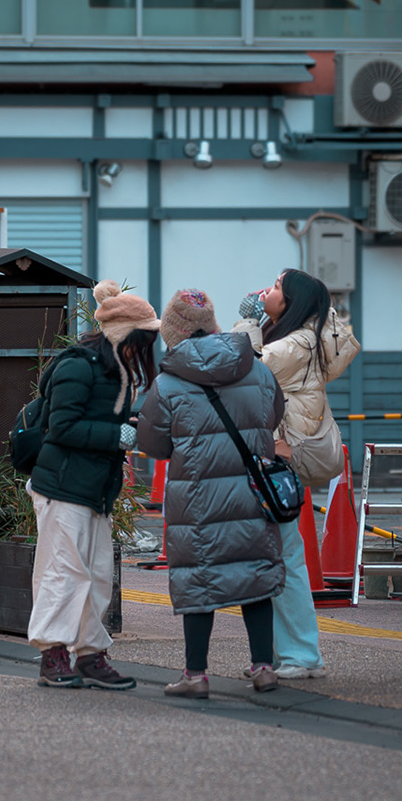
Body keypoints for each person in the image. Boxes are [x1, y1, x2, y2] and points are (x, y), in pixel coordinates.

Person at [138, 289, 287, 699]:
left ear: (174, 332)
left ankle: (196, 675)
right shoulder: (257, 370)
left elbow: (153, 445)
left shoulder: (168, 383)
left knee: (198, 581)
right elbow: (274, 415)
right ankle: (264, 668)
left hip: (197, 501)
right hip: (253, 494)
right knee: (255, 574)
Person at [26, 280, 159, 690]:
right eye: (141, 341)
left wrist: (124, 428)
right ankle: (53, 654)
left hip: (95, 491)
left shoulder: (116, 371)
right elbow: (61, 427)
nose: (144, 351)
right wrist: (117, 435)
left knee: (98, 575)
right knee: (63, 573)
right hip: (61, 488)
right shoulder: (78, 366)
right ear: (123, 335)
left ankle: (89, 653)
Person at [234, 268, 360, 679]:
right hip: (278, 459)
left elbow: (241, 369)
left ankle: (302, 656)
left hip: (278, 461)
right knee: (279, 557)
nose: (264, 291)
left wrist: (247, 322)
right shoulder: (304, 337)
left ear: (291, 303)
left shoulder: (297, 344)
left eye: (275, 287)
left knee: (284, 559)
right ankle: (285, 654)